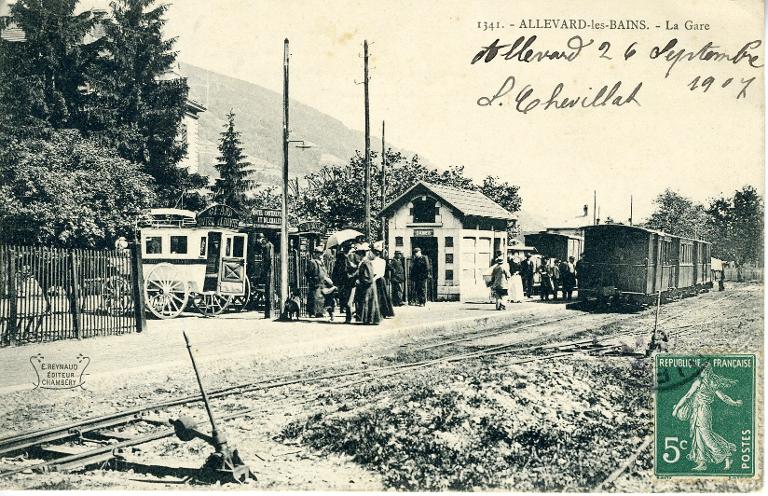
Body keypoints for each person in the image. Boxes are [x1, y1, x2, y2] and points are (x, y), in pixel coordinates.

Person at [672, 363, 742, 471]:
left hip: (702, 410)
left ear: (705, 371)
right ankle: (703, 462)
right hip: (701, 410)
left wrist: (677, 409)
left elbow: (687, 396)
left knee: (705, 435)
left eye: (702, 370)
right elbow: (724, 397)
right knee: (699, 435)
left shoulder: (699, 382)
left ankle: (726, 454)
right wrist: (735, 403)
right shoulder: (712, 382)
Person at [354, 243, 381, 325]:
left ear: (361, 254)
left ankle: (369, 320)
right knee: (367, 302)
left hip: (367, 286)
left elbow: (368, 276)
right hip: (367, 285)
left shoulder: (366, 262)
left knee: (367, 302)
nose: (357, 256)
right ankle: (368, 319)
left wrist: (360, 280)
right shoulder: (364, 262)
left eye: (358, 254)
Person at [371, 241, 395, 318]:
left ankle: (384, 312)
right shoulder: (373, 261)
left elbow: (381, 273)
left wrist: (373, 279)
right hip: (377, 279)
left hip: (379, 280)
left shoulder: (382, 261)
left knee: (382, 296)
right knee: (379, 296)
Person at [256, 233, 275, 317]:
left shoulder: (267, 246)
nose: (260, 241)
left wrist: (265, 267)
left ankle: (268, 312)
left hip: (267, 269)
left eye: (261, 239)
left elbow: (267, 258)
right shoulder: (269, 245)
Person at [305, 246, 327, 317]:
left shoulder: (322, 262)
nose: (320, 255)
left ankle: (320, 312)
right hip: (315, 282)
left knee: (321, 298)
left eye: (321, 253)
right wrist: (311, 280)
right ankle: (312, 312)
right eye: (319, 253)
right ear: (315, 254)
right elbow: (308, 273)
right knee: (314, 297)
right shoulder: (312, 262)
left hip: (322, 282)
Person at [344, 243, 364, 322]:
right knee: (352, 300)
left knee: (351, 300)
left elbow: (356, 267)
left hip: (353, 280)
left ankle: (352, 317)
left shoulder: (352, 256)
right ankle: (352, 317)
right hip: (350, 280)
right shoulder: (347, 257)